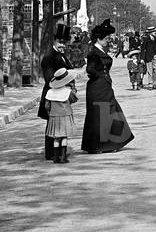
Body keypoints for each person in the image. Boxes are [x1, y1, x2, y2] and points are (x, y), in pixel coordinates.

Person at [81, 19, 135, 154]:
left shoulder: (100, 50)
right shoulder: (94, 52)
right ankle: (99, 145)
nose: (108, 41)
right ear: (98, 39)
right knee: (100, 113)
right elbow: (90, 69)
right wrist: (100, 76)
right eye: (106, 38)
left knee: (109, 111)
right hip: (97, 87)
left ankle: (111, 143)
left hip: (104, 86)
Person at [39, 23, 75, 160]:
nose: (62, 45)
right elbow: (49, 78)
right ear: (54, 41)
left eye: (64, 43)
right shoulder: (49, 57)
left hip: (63, 94)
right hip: (53, 94)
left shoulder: (62, 55)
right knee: (52, 124)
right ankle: (51, 153)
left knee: (59, 125)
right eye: (60, 42)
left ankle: (60, 152)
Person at [44, 67, 81, 163]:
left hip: (54, 116)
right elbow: (74, 100)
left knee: (56, 137)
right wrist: (73, 89)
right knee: (64, 136)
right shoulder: (67, 92)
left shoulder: (50, 92)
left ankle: (56, 157)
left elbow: (47, 106)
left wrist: (50, 113)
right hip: (65, 115)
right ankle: (63, 156)